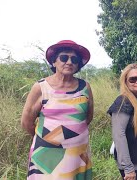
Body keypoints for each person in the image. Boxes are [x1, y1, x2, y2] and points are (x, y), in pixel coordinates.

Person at [21, 40, 94, 180]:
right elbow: (26, 122)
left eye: (74, 59)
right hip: (48, 154)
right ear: (54, 62)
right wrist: (48, 139)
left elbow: (88, 117)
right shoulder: (41, 87)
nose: (69, 62)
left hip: (77, 152)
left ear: (78, 64)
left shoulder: (85, 87)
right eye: (64, 57)